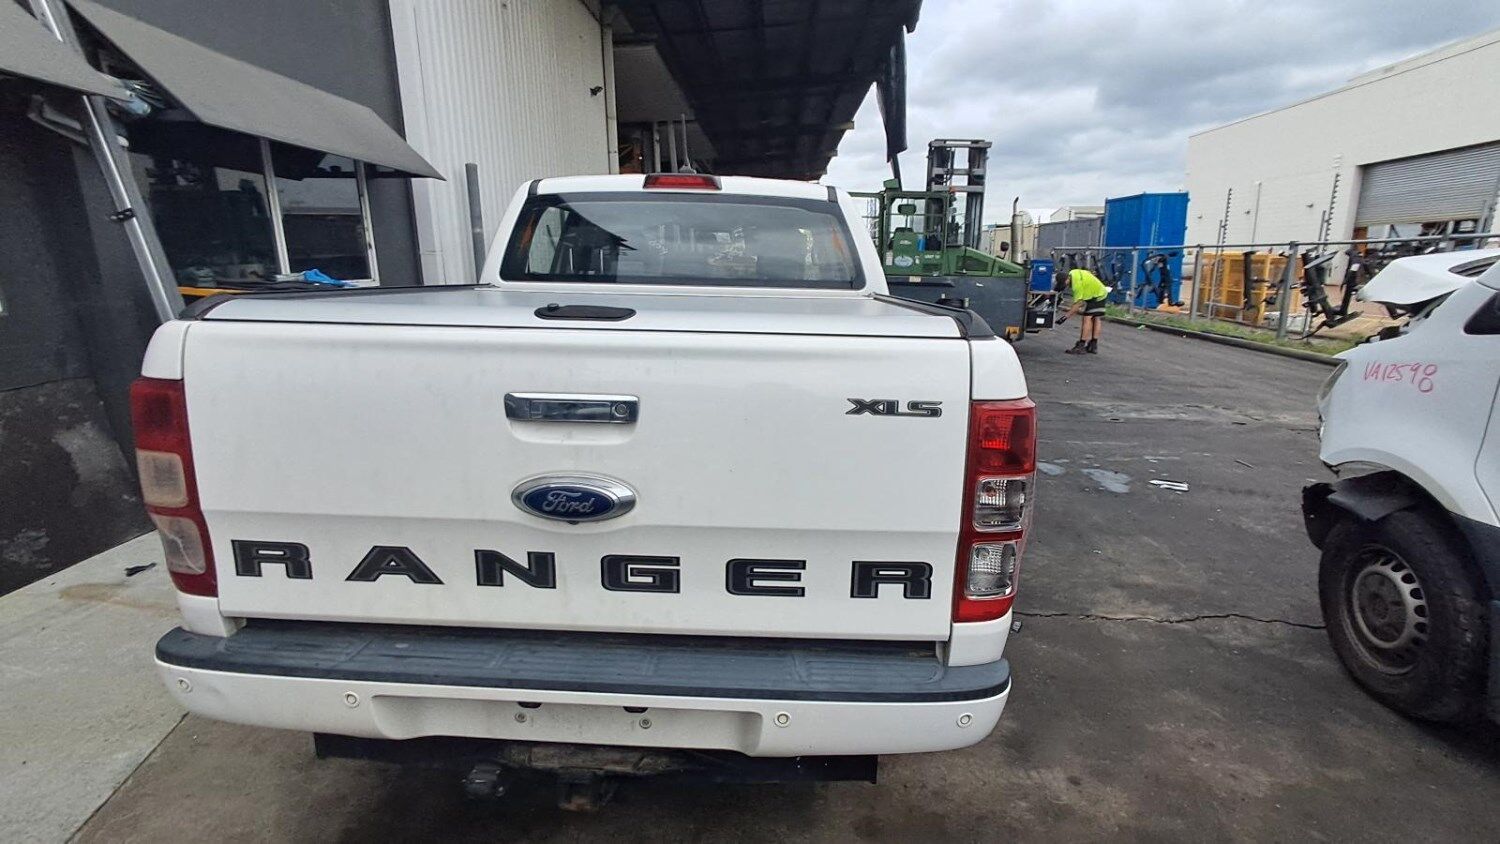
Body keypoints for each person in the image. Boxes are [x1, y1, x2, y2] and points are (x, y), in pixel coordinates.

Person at [1057, 266, 1109, 354]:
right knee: (1096, 318)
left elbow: (1078, 304)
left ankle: (1081, 345)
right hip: (1101, 292)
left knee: (1087, 318)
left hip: (1096, 296)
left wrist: (1065, 317)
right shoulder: (1073, 272)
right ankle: (1093, 345)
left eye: (1065, 283)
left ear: (1068, 278)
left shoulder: (1076, 285)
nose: (1066, 286)